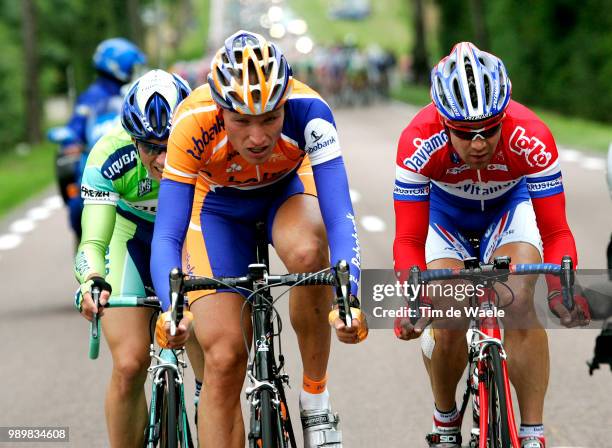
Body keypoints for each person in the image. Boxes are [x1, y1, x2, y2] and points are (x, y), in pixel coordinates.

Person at [151, 30, 368, 448]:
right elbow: (168, 234)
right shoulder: (191, 122)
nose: (257, 137)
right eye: (241, 121)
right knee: (224, 357)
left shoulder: (311, 111)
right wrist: (170, 308)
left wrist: (349, 296)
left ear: (285, 102)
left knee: (308, 252)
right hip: (215, 207)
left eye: (270, 118)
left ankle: (315, 396)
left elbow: (340, 216)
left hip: (285, 193)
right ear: (219, 109)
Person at [393, 42, 590, 448]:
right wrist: (413, 299)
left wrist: (561, 291)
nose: (479, 144)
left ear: (505, 116)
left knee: (519, 300)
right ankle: (446, 422)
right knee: (448, 313)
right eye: (465, 134)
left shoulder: (530, 134)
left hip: (508, 211)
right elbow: (409, 239)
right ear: (444, 123)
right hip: (445, 218)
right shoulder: (417, 139)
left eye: (490, 130)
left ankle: (533, 434)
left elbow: (555, 233)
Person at [73, 69, 202, 447]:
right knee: (130, 364)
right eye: (150, 147)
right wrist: (92, 280)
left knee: (213, 364)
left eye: (171, 143)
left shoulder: (206, 139)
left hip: (186, 236)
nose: (163, 159)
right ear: (132, 139)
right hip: (128, 236)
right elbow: (92, 242)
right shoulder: (108, 154)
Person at [60, 37, 146, 240]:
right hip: (96, 159)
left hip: (129, 157)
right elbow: (76, 126)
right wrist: (71, 141)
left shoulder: (135, 92)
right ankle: (85, 245)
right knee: (76, 206)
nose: (134, 71)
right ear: (117, 67)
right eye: (131, 67)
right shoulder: (90, 98)